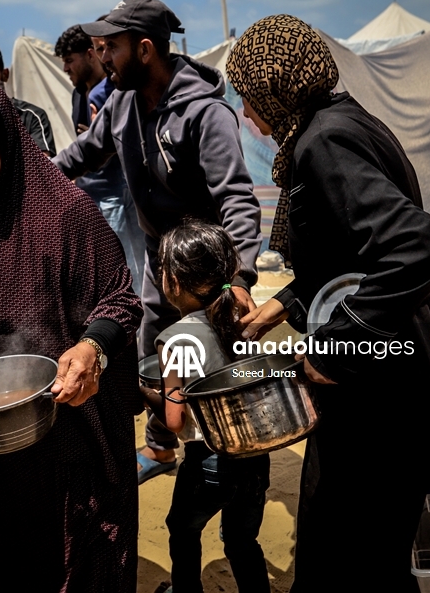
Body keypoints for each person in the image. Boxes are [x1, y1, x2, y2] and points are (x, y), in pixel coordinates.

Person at [229, 14, 430, 591]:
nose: (247, 115)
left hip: (383, 394)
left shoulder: (325, 142)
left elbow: (414, 249)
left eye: (249, 97)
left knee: (347, 559)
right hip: (389, 367)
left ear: (276, 89)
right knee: (372, 559)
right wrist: (284, 305)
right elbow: (351, 254)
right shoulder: (342, 120)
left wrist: (334, 346)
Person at [0, 78, 143, 592]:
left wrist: (92, 348)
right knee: (13, 564)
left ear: (7, 137)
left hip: (70, 433)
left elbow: (120, 299)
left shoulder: (64, 212)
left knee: (81, 564)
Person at [52, 0, 262, 483]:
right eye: (100, 47)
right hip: (157, 256)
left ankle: (235, 452)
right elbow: (82, 154)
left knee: (216, 356)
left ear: (145, 50)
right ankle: (163, 444)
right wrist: (32, 183)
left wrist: (239, 279)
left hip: (206, 266)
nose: (103, 57)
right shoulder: (121, 104)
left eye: (112, 47)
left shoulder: (205, 113)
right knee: (153, 350)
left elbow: (236, 198)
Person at [142, 220, 271, 593]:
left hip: (209, 463)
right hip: (255, 459)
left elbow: (174, 419)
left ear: (173, 281)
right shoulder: (241, 321)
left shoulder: (175, 339)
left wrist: (143, 392)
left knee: (182, 529)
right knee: (242, 540)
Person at [55, 24, 143, 293]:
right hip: (93, 196)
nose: (65, 68)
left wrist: (101, 135)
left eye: (70, 60)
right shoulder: (79, 94)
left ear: (89, 54)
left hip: (116, 197)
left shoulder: (111, 90)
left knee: (128, 273)